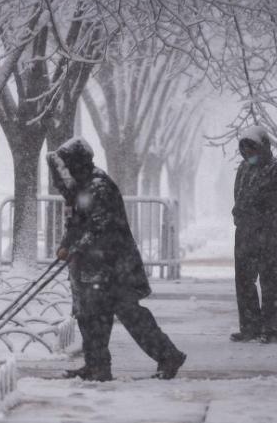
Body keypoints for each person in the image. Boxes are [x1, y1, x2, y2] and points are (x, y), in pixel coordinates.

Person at [48, 137, 187, 381]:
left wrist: (76, 248)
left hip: (115, 266)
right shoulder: (81, 187)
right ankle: (97, 365)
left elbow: (101, 228)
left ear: (79, 163)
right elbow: (76, 226)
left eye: (69, 165)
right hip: (96, 266)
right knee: (90, 315)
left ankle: (168, 355)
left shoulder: (98, 187)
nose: (66, 171)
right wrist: (65, 246)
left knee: (130, 315)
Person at [230, 125, 277, 344]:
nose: (248, 155)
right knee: (244, 281)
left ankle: (271, 329)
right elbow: (238, 197)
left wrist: (274, 224)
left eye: (252, 150)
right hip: (245, 234)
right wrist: (239, 217)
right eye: (245, 151)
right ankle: (250, 327)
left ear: (263, 147)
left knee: (269, 281)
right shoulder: (243, 170)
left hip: (268, 235)